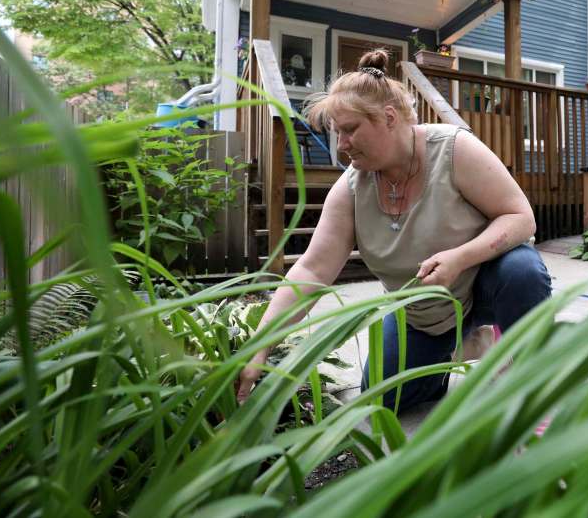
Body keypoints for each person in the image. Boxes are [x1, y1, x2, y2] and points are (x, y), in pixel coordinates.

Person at [236, 49, 551, 411]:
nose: (341, 146)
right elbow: (312, 269)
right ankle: (470, 346)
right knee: (384, 395)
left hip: (485, 286)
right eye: (337, 134)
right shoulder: (351, 189)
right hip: (427, 315)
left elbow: (521, 217)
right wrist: (261, 345)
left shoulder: (453, 149)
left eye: (350, 130)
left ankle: (529, 381)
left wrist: (460, 257)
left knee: (523, 271)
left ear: (388, 118)